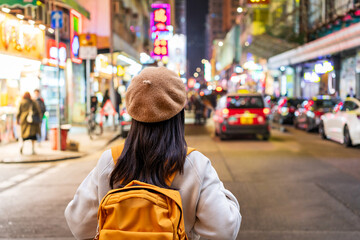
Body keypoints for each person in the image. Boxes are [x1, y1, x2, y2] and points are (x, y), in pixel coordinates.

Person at [64, 67, 241, 240]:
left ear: (133, 112)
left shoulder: (110, 161)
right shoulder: (194, 164)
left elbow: (78, 224)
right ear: (179, 114)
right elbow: (224, 230)